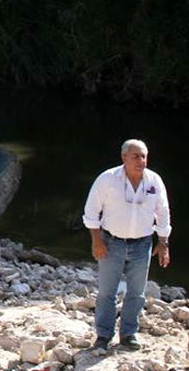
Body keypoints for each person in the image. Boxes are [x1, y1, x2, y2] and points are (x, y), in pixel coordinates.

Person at [82, 139, 171, 351]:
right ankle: (103, 335)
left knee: (137, 292)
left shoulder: (154, 181)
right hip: (111, 242)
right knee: (106, 292)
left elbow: (163, 212)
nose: (141, 161)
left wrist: (163, 242)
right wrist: (97, 241)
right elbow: (91, 211)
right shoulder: (107, 179)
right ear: (124, 158)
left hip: (142, 245)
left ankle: (129, 334)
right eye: (136, 156)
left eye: (144, 156)